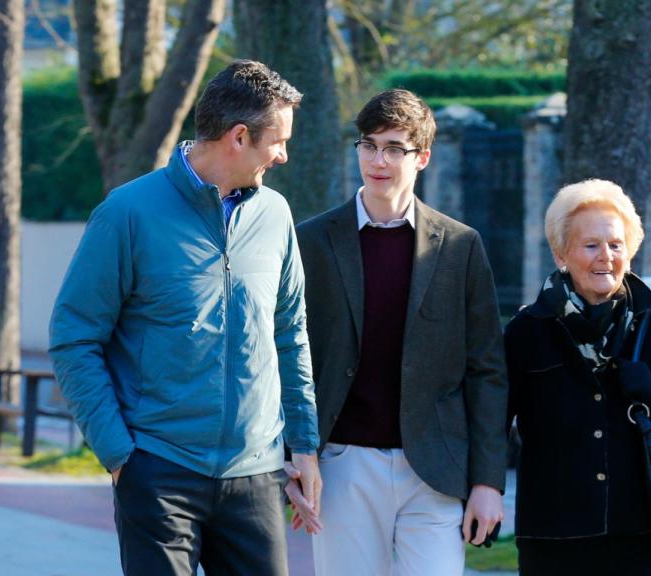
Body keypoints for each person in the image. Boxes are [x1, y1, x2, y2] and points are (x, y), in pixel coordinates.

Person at [49, 60, 322, 576]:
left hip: (256, 476)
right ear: (239, 137)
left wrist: (303, 445)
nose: (283, 155)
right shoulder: (127, 213)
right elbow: (73, 338)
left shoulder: (276, 215)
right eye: (278, 141)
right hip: (158, 471)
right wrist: (117, 452)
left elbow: (290, 333)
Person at [294, 88, 507, 576]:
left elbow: (487, 370)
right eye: (369, 145)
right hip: (343, 463)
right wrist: (294, 455)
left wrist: (488, 482)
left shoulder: (460, 246)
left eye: (395, 148)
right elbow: (290, 356)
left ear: (423, 157)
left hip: (434, 470)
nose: (378, 160)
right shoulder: (311, 241)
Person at [504, 179, 651, 576]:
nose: (606, 257)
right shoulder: (528, 330)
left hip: (639, 534)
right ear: (562, 254)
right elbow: (494, 421)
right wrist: (485, 491)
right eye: (591, 245)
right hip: (554, 535)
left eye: (616, 245)